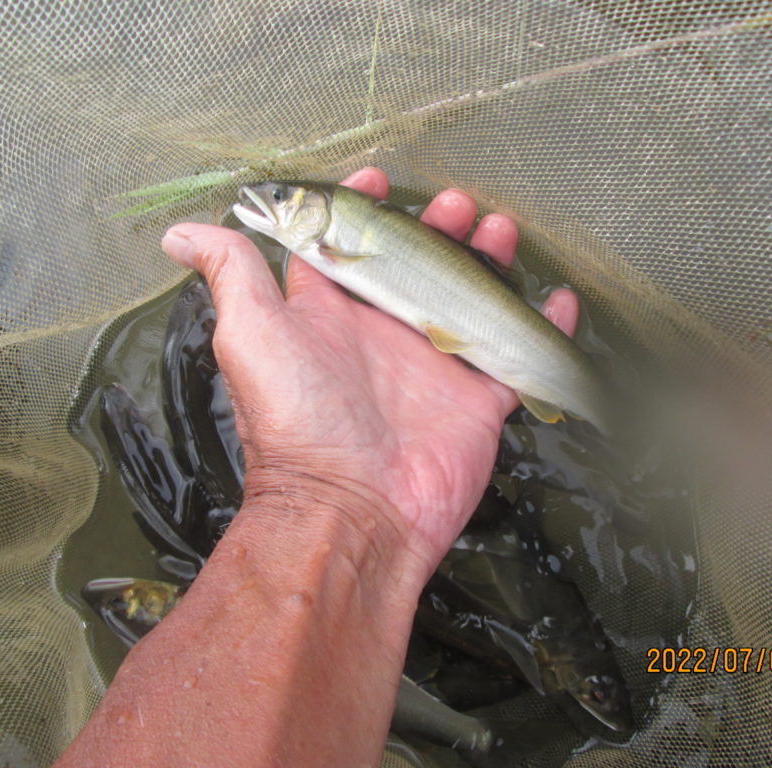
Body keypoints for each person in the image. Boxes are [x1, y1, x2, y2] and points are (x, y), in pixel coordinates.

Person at [54, 167, 579, 768]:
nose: (268, 202)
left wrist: (332, 503)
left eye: (282, 197)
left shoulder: (328, 241)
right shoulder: (325, 243)